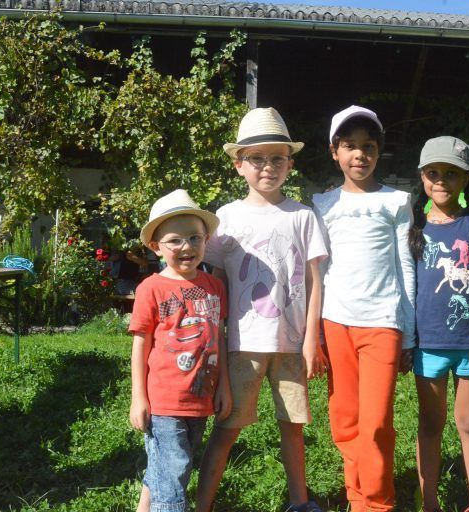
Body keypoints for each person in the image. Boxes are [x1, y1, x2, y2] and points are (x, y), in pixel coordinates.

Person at [197, 107, 328, 512]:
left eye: (277, 158)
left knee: (293, 428)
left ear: (290, 163)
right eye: (257, 158)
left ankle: (299, 503)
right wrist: (215, 342)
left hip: (291, 346)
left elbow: (314, 282)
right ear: (239, 165)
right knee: (227, 428)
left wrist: (311, 341)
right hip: (241, 344)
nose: (267, 167)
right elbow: (215, 284)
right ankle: (203, 505)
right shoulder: (226, 218)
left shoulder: (304, 216)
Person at [312, 105, 415, 512]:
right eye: (350, 146)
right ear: (334, 152)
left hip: (383, 324)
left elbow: (406, 265)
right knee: (345, 418)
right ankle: (357, 495)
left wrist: (409, 332)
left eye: (368, 146)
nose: (359, 155)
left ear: (378, 151)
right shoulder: (323, 204)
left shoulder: (397, 201)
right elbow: (318, 271)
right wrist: (314, 333)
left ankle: (377, 503)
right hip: (335, 323)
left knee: (375, 421)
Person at [408, 136, 469, 512]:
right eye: (433, 173)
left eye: (451, 173)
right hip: (426, 344)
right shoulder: (412, 227)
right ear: (422, 177)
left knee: (468, 423)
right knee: (430, 424)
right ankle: (428, 501)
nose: (441, 180)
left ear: (466, 179)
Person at [129, 189, 230, 512]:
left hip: (200, 397)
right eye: (175, 241)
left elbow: (219, 338)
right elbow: (140, 344)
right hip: (164, 400)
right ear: (156, 247)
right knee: (175, 471)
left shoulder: (214, 286)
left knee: (166, 465)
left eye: (194, 238)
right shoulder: (151, 288)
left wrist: (224, 387)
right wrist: (138, 397)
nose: (186, 247)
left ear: (206, 240)